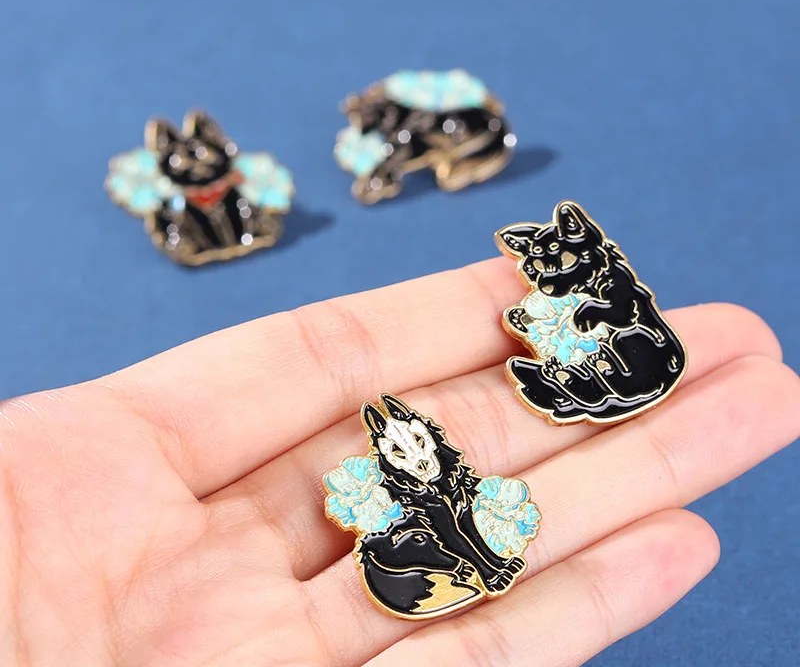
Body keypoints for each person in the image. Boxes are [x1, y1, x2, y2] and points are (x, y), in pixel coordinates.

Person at [0, 258, 797, 666]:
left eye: (419, 442)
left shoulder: (464, 480)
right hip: (419, 569)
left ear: (433, 443)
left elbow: (478, 515)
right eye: (401, 446)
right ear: (390, 452)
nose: (413, 450)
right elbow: (404, 536)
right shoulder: (382, 497)